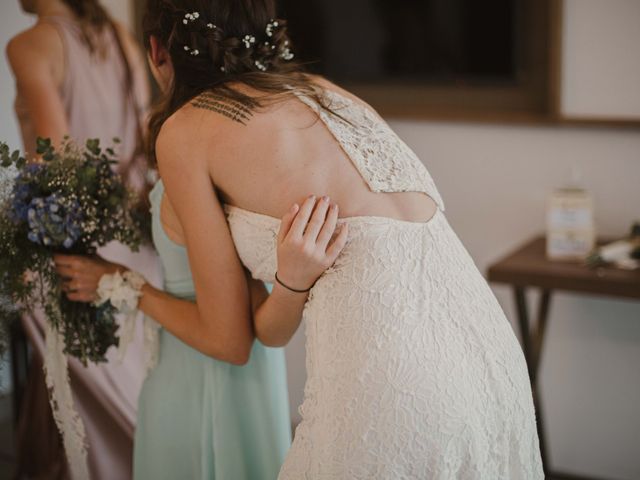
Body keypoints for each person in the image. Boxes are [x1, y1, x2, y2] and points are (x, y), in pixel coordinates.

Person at [59, 0, 545, 478]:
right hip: (494, 360)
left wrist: (122, 282)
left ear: (156, 50)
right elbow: (267, 329)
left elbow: (228, 339)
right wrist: (292, 280)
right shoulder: (324, 90)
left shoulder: (185, 132)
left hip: (396, 384)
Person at [6, 0, 157, 478]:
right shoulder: (121, 38)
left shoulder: (30, 45)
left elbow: (59, 164)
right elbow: (142, 139)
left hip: (76, 251)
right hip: (136, 247)